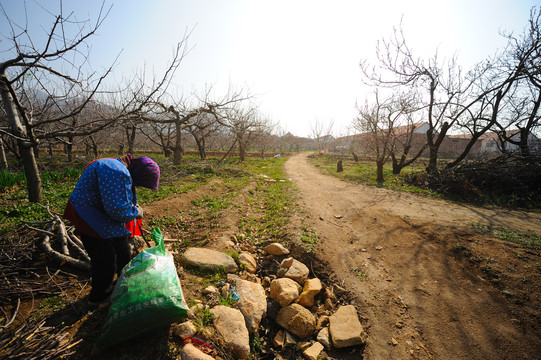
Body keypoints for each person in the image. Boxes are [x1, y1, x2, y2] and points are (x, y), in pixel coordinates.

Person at [63, 154, 160, 307]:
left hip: (101, 211)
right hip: (89, 214)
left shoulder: (118, 167)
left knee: (123, 249)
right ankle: (99, 298)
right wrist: (135, 212)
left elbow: (118, 198)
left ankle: (125, 281)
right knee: (105, 258)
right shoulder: (117, 171)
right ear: (137, 175)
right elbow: (117, 210)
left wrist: (131, 208)